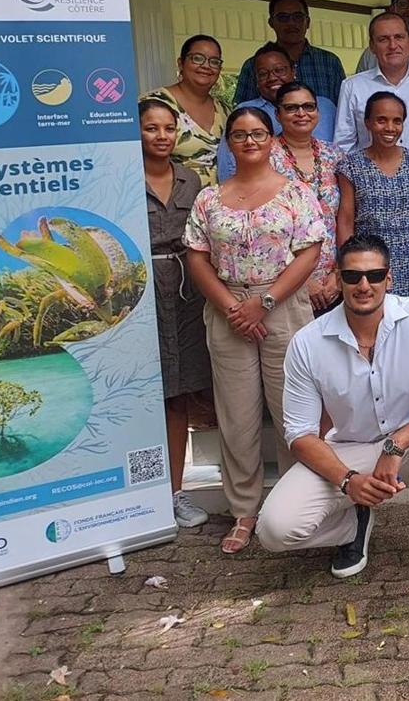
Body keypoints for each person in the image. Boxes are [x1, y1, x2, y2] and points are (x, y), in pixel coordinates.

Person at [255, 234, 409, 592]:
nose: (363, 285)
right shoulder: (308, 342)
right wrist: (347, 480)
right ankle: (355, 521)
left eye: (374, 275)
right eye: (352, 277)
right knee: (274, 530)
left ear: (389, 278)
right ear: (338, 279)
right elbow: (300, 434)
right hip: (348, 452)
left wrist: (396, 445)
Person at [183, 107, 326, 554]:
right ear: (228, 142)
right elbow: (196, 256)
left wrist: (264, 303)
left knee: (293, 413)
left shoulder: (296, 193)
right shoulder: (209, 199)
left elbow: (310, 250)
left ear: (270, 139)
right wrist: (232, 307)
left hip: (281, 305)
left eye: (258, 133)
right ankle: (244, 510)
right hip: (227, 309)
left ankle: (295, 504)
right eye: (240, 134)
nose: (249, 141)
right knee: (237, 417)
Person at [141, 98, 213, 529]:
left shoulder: (192, 181)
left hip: (186, 296)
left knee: (179, 393)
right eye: (151, 128)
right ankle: (135, 497)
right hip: (140, 296)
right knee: (141, 393)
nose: (162, 136)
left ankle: (173, 493)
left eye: (169, 128)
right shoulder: (119, 180)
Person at [336, 92, 409, 302]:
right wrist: (347, 264)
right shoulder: (350, 166)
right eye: (381, 120)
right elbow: (345, 219)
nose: (390, 128)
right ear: (367, 123)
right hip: (370, 261)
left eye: (397, 121)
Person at [269, 82, 344, 314]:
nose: (301, 113)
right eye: (292, 108)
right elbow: (266, 230)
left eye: (308, 106)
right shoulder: (266, 157)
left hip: (334, 282)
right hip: (285, 284)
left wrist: (339, 273)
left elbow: (346, 217)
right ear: (278, 114)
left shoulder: (334, 155)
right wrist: (302, 281)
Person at [335, 12, 409, 157]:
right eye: (383, 39)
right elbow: (343, 147)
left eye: (399, 37)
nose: (393, 45)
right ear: (372, 46)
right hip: (369, 178)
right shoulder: (352, 87)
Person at [218, 44, 336, 181]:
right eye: (263, 73)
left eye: (279, 70)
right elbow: (229, 165)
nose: (272, 77)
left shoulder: (326, 107)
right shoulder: (245, 112)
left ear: (293, 71)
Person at [143, 34, 230, 187]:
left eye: (214, 62)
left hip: (219, 204)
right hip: (171, 204)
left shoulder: (226, 111)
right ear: (181, 63)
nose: (206, 66)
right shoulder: (153, 104)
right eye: (197, 58)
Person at [234, 0, 345, 105]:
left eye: (298, 17)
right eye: (283, 17)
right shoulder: (253, 65)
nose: (291, 23)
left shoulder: (330, 62)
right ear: (271, 23)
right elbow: (242, 112)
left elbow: (343, 109)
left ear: (308, 22)